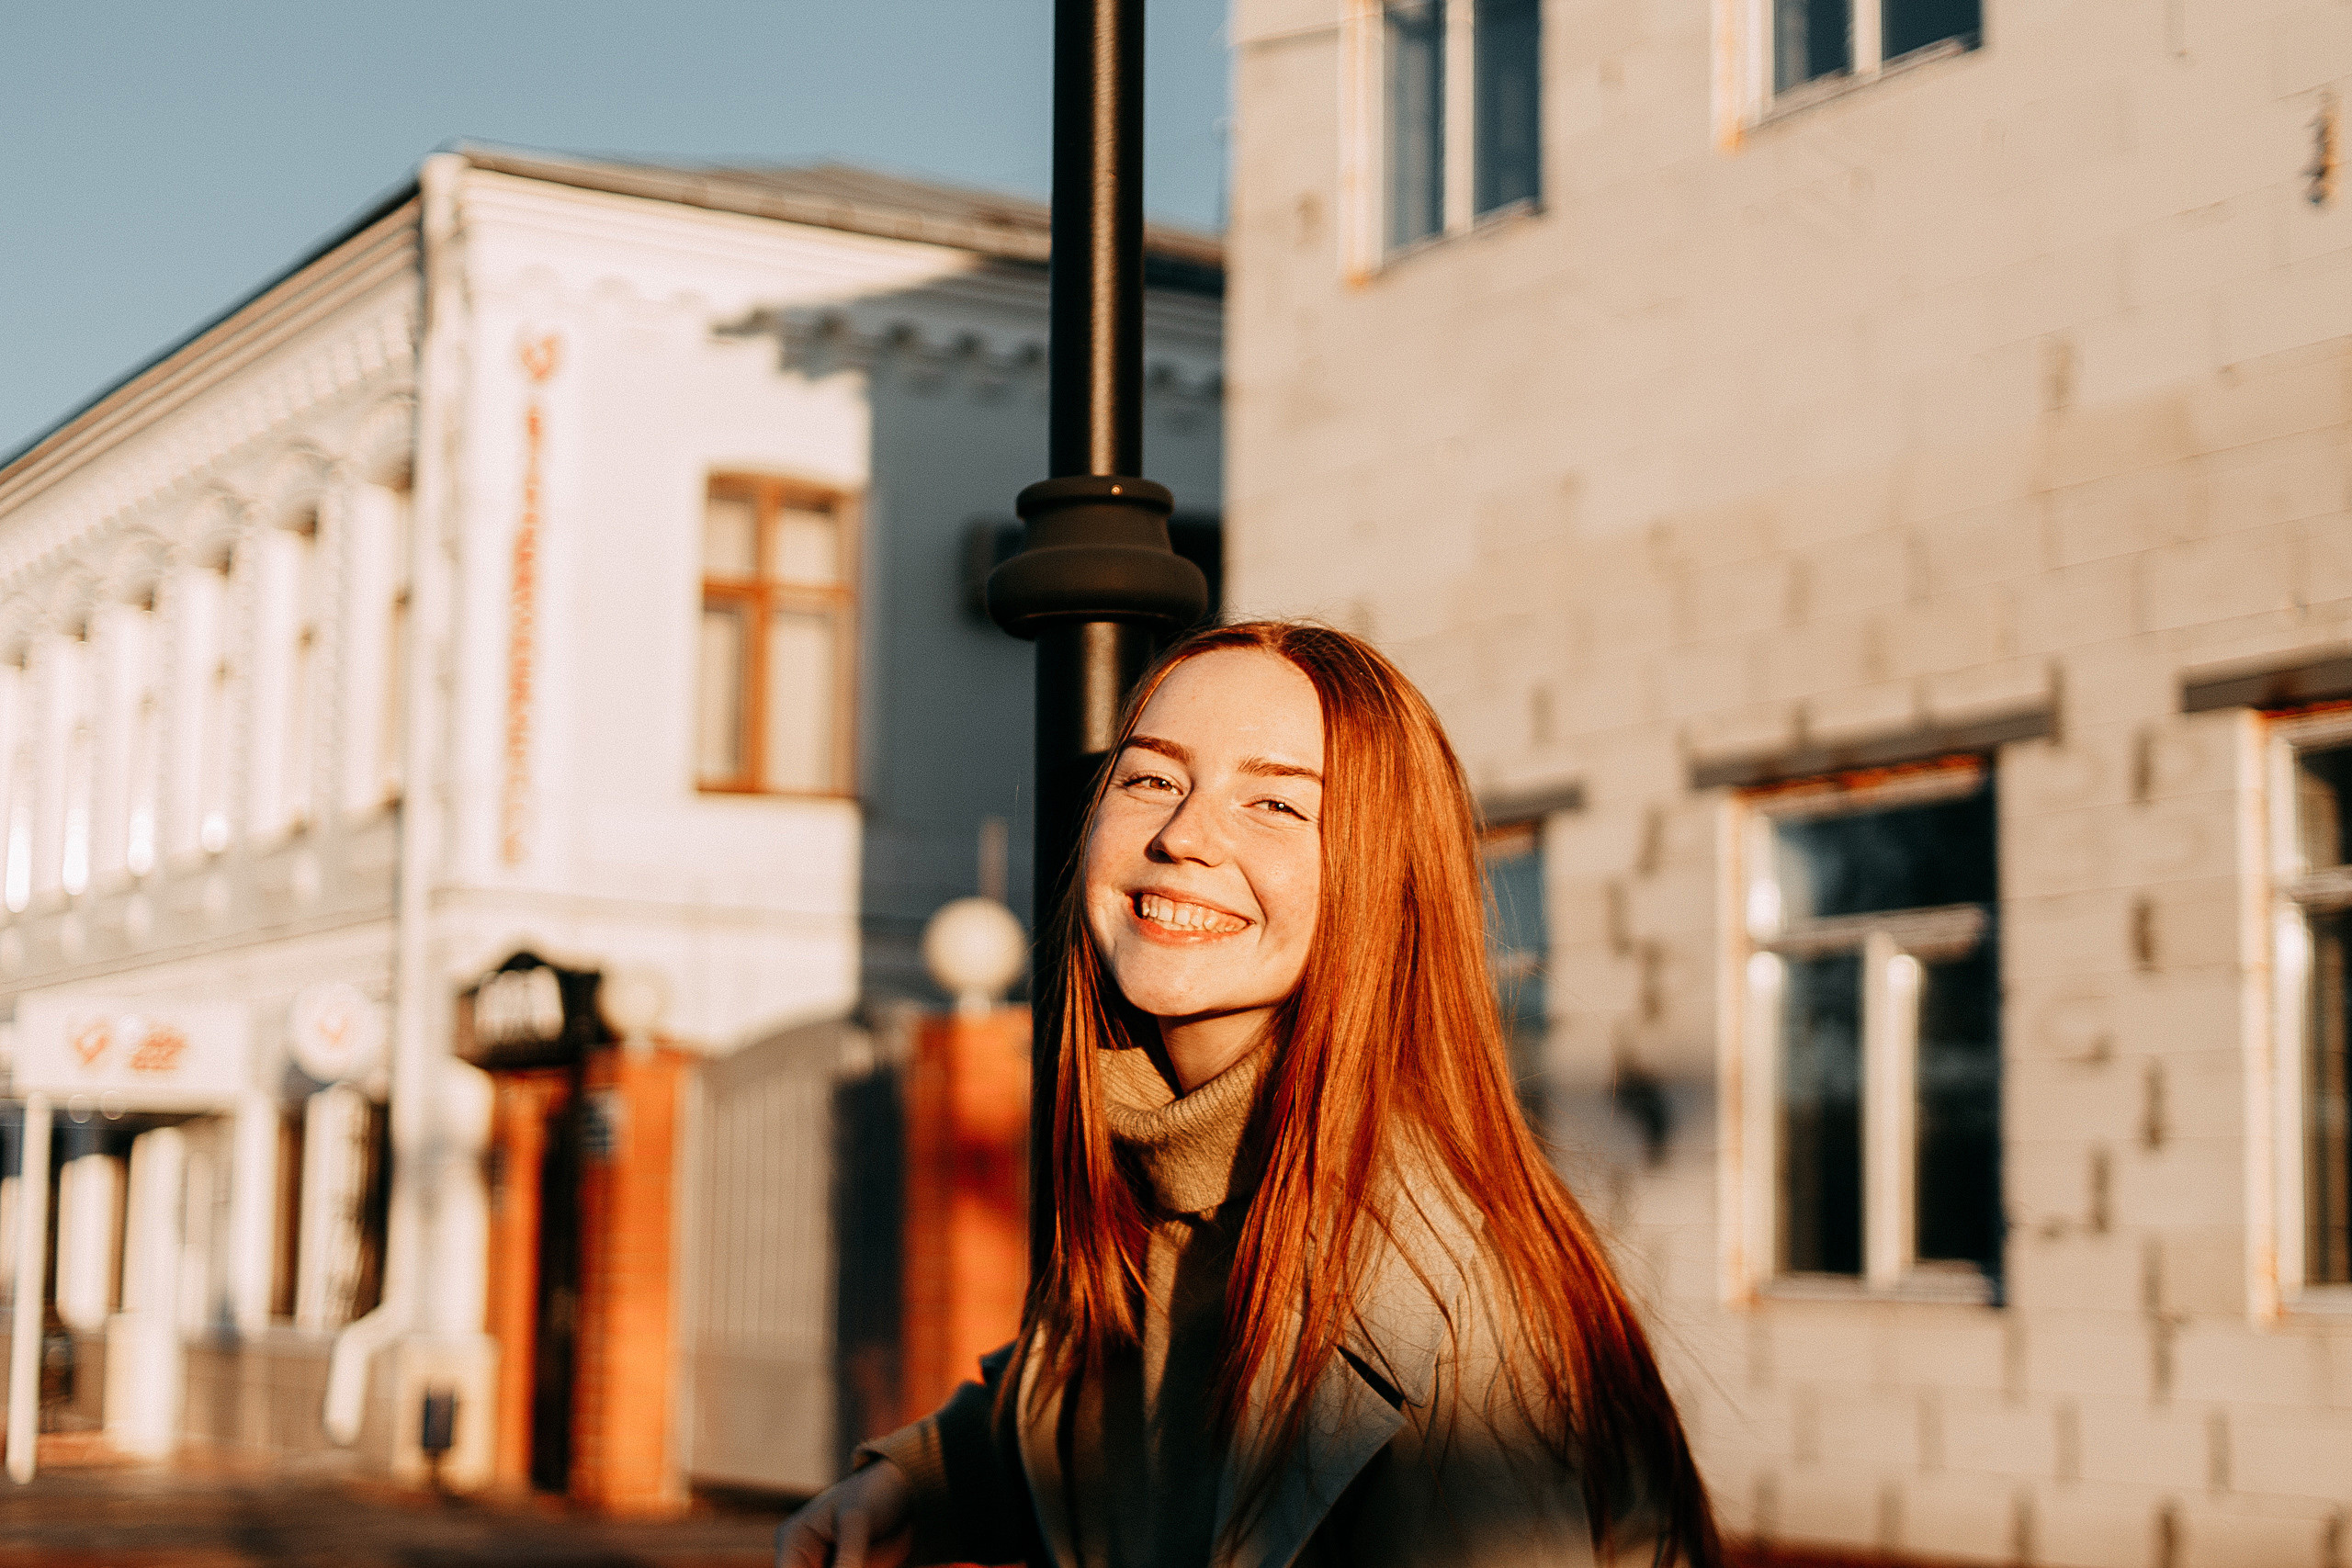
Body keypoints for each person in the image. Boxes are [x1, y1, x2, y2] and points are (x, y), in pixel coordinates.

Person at [779, 622, 1720, 1568]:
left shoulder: (1446, 1314)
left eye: (1273, 802)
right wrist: (915, 1481)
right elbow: (1089, 1396)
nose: (1183, 835)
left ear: (1384, 879)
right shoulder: (1167, 1167)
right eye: (1149, 777)